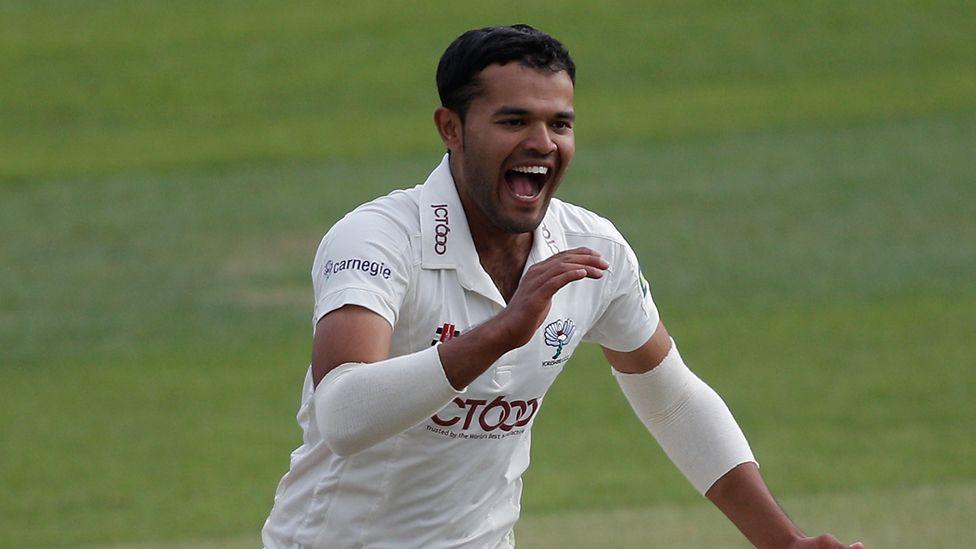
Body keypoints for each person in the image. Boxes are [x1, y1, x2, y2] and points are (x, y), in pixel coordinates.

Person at [263, 24, 863, 549]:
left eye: (560, 123)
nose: (543, 144)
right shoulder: (377, 238)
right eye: (514, 121)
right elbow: (342, 413)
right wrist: (501, 332)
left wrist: (782, 541)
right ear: (451, 127)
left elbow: (672, 400)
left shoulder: (593, 251)